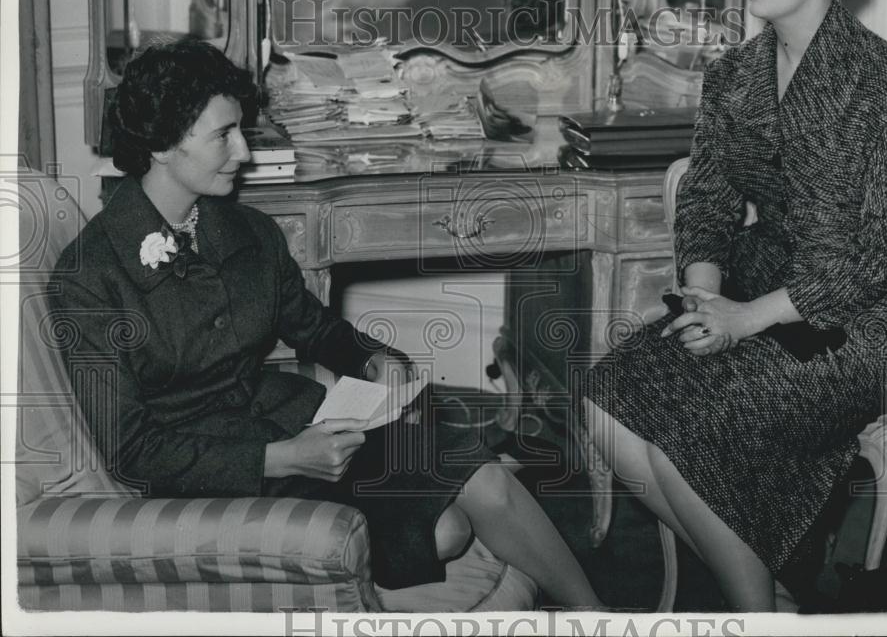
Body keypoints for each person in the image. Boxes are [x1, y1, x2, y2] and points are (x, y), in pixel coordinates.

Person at [49, 39, 602, 607]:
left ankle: (598, 615)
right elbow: (131, 449)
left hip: (304, 423)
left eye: (240, 130)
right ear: (163, 144)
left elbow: (315, 329)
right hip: (216, 472)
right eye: (223, 135)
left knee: (483, 479)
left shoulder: (245, 231)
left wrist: (373, 360)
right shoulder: (90, 278)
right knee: (448, 530)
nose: (243, 151)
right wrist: (280, 457)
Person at [583, 0, 887, 611]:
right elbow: (708, 199)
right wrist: (706, 299)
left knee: (699, 438)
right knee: (607, 400)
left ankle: (757, 616)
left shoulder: (882, 82)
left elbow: (881, 254)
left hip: (871, 320)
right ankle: (771, 593)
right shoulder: (734, 75)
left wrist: (747, 320)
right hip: (754, 284)